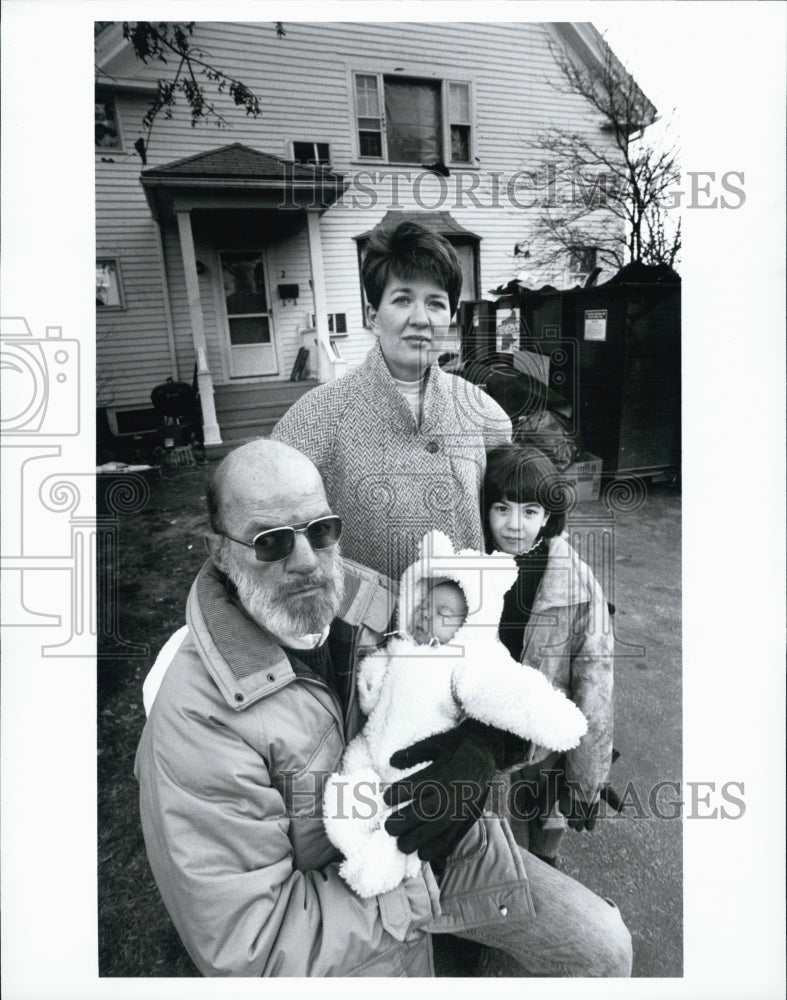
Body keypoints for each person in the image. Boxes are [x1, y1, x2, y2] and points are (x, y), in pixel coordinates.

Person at [135, 438, 632, 977]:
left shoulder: (369, 598)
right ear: (219, 551)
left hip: (445, 838)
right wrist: (416, 890)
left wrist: (487, 746)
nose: (305, 561)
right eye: (270, 541)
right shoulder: (196, 719)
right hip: (345, 893)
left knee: (604, 948)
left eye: (320, 530)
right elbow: (255, 945)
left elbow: (473, 669)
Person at [322, 530, 587, 899]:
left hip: (422, 766)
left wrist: (553, 720)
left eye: (442, 614)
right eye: (423, 606)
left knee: (405, 825)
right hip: (370, 749)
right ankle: (352, 846)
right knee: (346, 795)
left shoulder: (463, 662)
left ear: (466, 625)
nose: (426, 615)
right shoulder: (401, 647)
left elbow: (507, 693)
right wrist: (370, 681)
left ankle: (379, 870)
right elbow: (371, 693)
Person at [271, 220, 512, 580]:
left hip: (471, 611)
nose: (421, 319)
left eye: (436, 303)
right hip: (365, 615)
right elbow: (270, 529)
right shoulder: (314, 418)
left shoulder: (482, 412)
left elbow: (516, 510)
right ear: (373, 316)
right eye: (402, 300)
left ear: (450, 317)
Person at [482, 444, 616, 865]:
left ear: (548, 516)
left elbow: (595, 689)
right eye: (501, 508)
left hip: (545, 747)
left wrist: (586, 782)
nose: (514, 525)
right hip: (485, 742)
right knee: (493, 853)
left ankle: (547, 862)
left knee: (543, 837)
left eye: (530, 511)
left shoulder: (577, 586)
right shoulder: (468, 567)